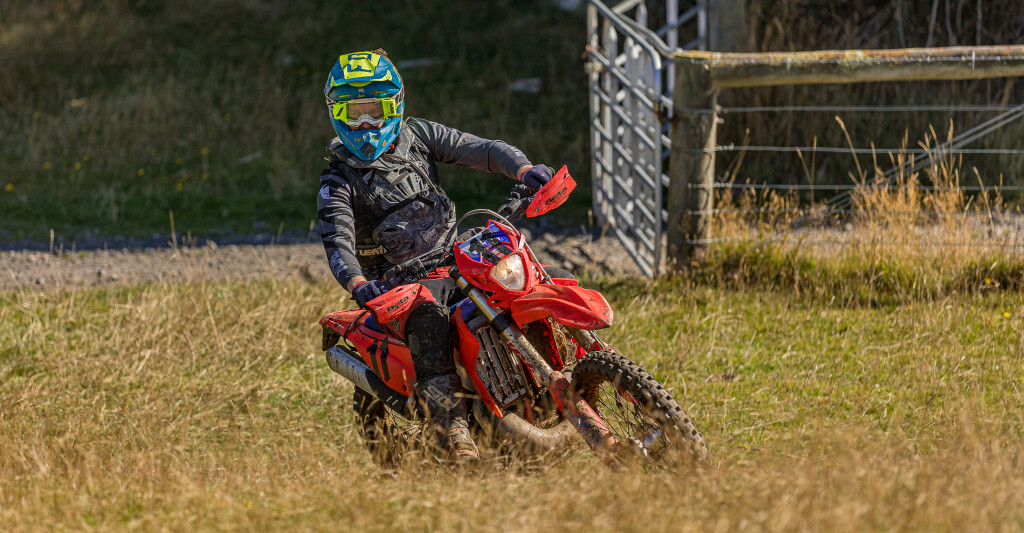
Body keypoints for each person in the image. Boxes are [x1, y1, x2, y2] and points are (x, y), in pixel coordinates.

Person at [317, 49, 556, 462]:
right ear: (336, 113)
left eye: (374, 110)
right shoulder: (337, 180)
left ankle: (571, 365)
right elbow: (337, 241)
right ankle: (453, 428)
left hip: (453, 258)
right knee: (430, 320)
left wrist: (522, 169)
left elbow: (481, 149)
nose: (366, 124)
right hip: (395, 286)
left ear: (395, 105)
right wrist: (358, 284)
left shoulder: (418, 136)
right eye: (354, 113)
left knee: (530, 275)